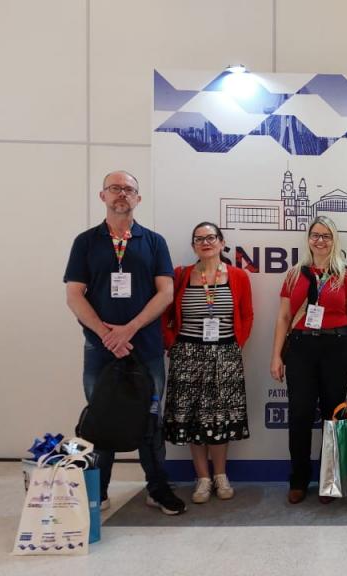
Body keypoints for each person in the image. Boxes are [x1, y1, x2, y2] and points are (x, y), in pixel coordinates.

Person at [63, 170, 186, 515]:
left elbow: (165, 293)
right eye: (115, 188)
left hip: (144, 348)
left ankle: (158, 489)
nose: (122, 194)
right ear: (102, 195)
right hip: (99, 350)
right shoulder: (85, 242)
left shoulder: (154, 242)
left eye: (129, 189)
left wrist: (128, 330)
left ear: (138, 198)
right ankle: (97, 493)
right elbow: (74, 296)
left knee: (150, 419)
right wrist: (107, 335)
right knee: (101, 420)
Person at [270, 216, 347, 504]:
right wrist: (276, 355)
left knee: (332, 418)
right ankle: (298, 480)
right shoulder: (294, 274)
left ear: (334, 240)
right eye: (315, 235)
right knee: (299, 414)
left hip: (338, 347)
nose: (320, 240)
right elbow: (284, 318)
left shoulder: (346, 275)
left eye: (326, 235)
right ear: (308, 239)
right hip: (300, 349)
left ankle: (330, 480)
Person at [162, 222, 254, 504]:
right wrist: (173, 344)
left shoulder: (238, 276)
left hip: (224, 355)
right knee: (192, 419)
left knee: (219, 419)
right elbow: (165, 315)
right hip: (187, 354)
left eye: (211, 237)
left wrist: (234, 346)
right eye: (199, 239)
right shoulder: (181, 275)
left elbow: (247, 315)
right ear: (193, 246)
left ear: (222, 242)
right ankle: (202, 478)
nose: (205, 243)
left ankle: (220, 475)